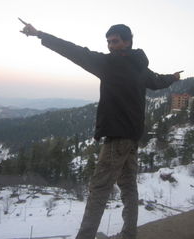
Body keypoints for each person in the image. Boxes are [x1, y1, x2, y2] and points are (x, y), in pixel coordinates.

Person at [20, 20, 181, 239]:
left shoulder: (110, 64)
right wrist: (173, 77)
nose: (110, 46)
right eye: (108, 42)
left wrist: (40, 34)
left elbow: (74, 51)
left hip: (117, 137)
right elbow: (158, 81)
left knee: (98, 189)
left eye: (114, 41)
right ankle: (129, 234)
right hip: (133, 137)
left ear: (127, 42)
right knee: (128, 187)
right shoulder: (141, 67)